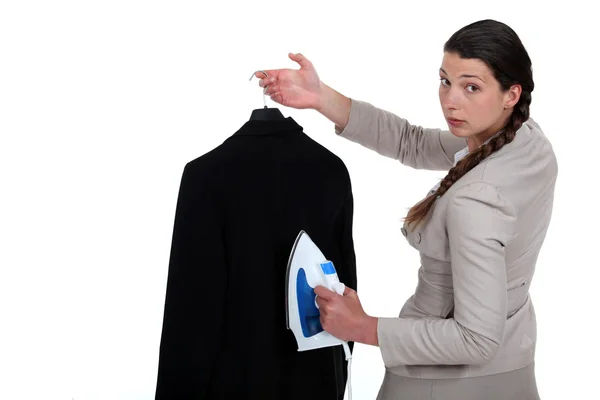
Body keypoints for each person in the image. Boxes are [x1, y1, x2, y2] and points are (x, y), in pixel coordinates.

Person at [255, 19, 557, 400]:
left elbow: (477, 340)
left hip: (443, 383)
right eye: (446, 80)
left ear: (511, 93)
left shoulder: (475, 202)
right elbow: (413, 143)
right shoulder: (527, 143)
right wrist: (320, 97)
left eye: (472, 87)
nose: (451, 100)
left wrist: (363, 327)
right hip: (512, 373)